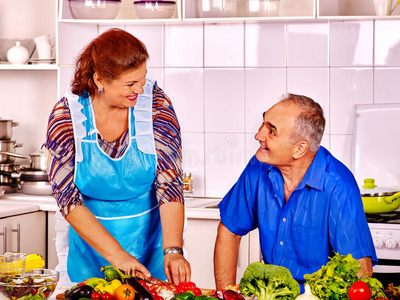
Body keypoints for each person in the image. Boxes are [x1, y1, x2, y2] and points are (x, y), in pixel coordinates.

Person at [45, 28, 191, 284]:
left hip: (153, 244)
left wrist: (173, 250)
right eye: (130, 84)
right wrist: (117, 255)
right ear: (99, 80)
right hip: (90, 246)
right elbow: (67, 196)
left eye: (142, 79)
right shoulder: (66, 117)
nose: (140, 89)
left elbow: (169, 183)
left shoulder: (156, 105)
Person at [213, 93, 377, 291]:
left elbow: (360, 270)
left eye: (271, 131)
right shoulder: (258, 166)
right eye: (263, 123)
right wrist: (226, 295)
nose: (258, 135)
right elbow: (229, 231)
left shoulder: (338, 186)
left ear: (299, 149)